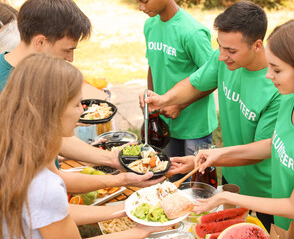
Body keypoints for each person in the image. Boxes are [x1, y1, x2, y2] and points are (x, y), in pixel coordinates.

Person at [193, 18, 294, 238]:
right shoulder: (291, 99)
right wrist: (219, 154)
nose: (268, 75)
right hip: (286, 229)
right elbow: (275, 143)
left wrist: (226, 197)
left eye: (277, 70)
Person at [0, 0, 165, 193]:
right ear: (41, 42)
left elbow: (52, 138)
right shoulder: (8, 87)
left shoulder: (42, 74)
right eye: (67, 50)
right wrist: (118, 180)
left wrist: (112, 159)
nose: (70, 59)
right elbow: (50, 178)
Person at [142, 1, 281, 230]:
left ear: (257, 45)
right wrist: (163, 99)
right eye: (220, 47)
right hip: (232, 179)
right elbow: (196, 83)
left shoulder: (275, 88)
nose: (221, 57)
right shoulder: (225, 59)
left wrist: (209, 157)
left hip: (265, 191)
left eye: (231, 51)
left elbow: (259, 151)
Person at [0, 54, 171, 239]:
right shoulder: (45, 187)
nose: (83, 111)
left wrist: (126, 208)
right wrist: (141, 231)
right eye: (76, 104)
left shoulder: (14, 152)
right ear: (52, 111)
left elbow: (57, 214)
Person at [136, 0, 218, 182]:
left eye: (144, 1)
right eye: (137, 2)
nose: (141, 8)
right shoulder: (150, 25)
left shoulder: (192, 32)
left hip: (194, 127)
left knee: (196, 184)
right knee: (171, 178)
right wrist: (150, 96)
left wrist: (180, 105)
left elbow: (214, 77)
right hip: (165, 124)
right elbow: (153, 64)